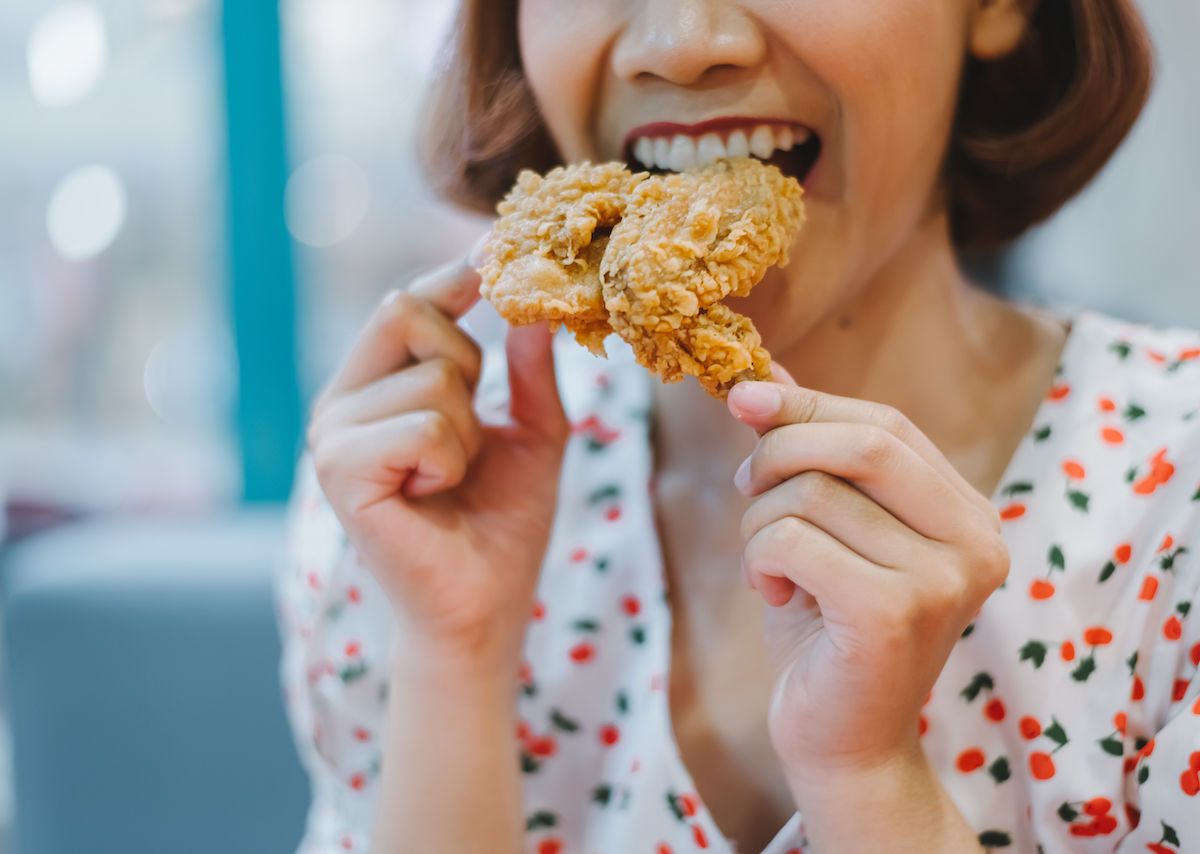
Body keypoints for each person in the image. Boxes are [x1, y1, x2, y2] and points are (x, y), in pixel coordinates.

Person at [275, 1, 1200, 851]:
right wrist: (455, 664)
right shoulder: (416, 499)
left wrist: (874, 784)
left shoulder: (1176, 510)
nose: (683, 42)